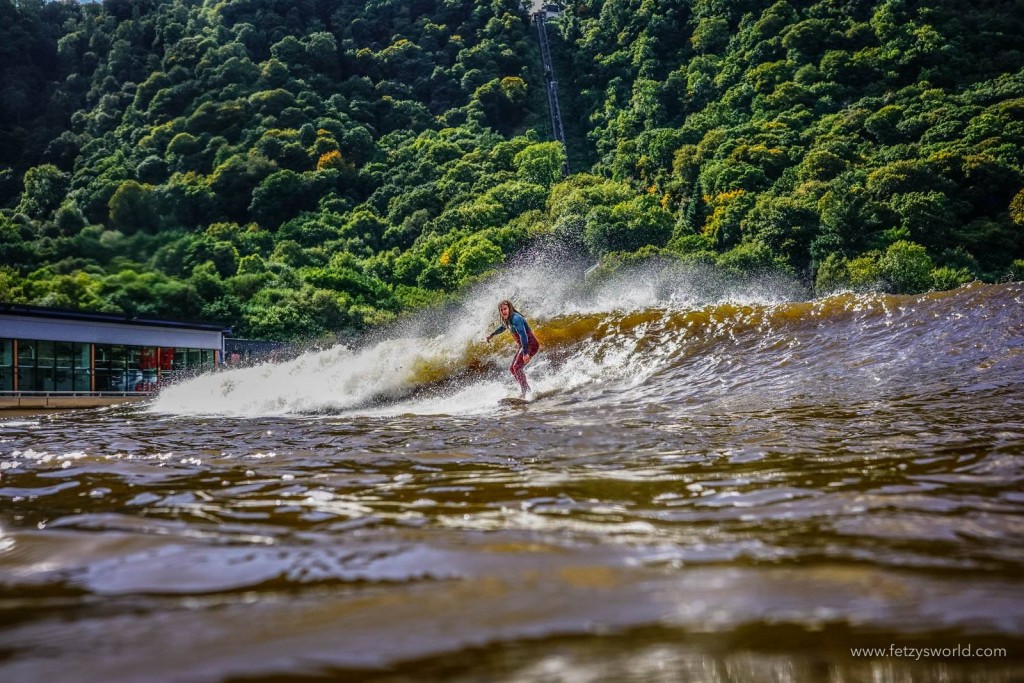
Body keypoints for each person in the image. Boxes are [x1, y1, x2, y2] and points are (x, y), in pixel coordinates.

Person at [485, 299, 540, 398]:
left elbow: (523, 335)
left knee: (516, 367)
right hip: (524, 345)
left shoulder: (516, 318)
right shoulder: (508, 320)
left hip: (530, 344)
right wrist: (492, 335)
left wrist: (525, 353)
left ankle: (526, 391)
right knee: (512, 369)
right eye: (501, 310)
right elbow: (502, 328)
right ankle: (526, 389)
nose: (503, 311)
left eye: (505, 309)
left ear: (510, 308)